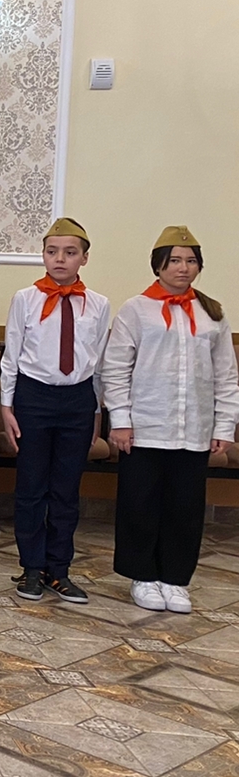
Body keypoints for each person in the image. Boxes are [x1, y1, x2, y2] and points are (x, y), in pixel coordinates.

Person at [103, 227, 239, 613]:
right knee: (140, 504)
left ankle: (175, 579)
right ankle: (142, 576)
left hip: (193, 429)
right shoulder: (136, 310)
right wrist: (121, 420)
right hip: (145, 428)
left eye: (190, 261)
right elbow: (116, 368)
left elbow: (226, 375)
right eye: (175, 260)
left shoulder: (212, 313)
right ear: (158, 265)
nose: (183, 267)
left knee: (185, 508)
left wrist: (223, 426)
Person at [0, 217, 111, 604]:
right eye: (52, 251)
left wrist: (96, 410)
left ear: (84, 258)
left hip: (78, 399)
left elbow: (98, 361)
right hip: (34, 397)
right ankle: (32, 567)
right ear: (43, 256)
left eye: (70, 252)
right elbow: (11, 356)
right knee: (31, 487)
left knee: (66, 489)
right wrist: (7, 406)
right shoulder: (25, 299)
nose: (60, 259)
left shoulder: (98, 304)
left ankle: (58, 570)